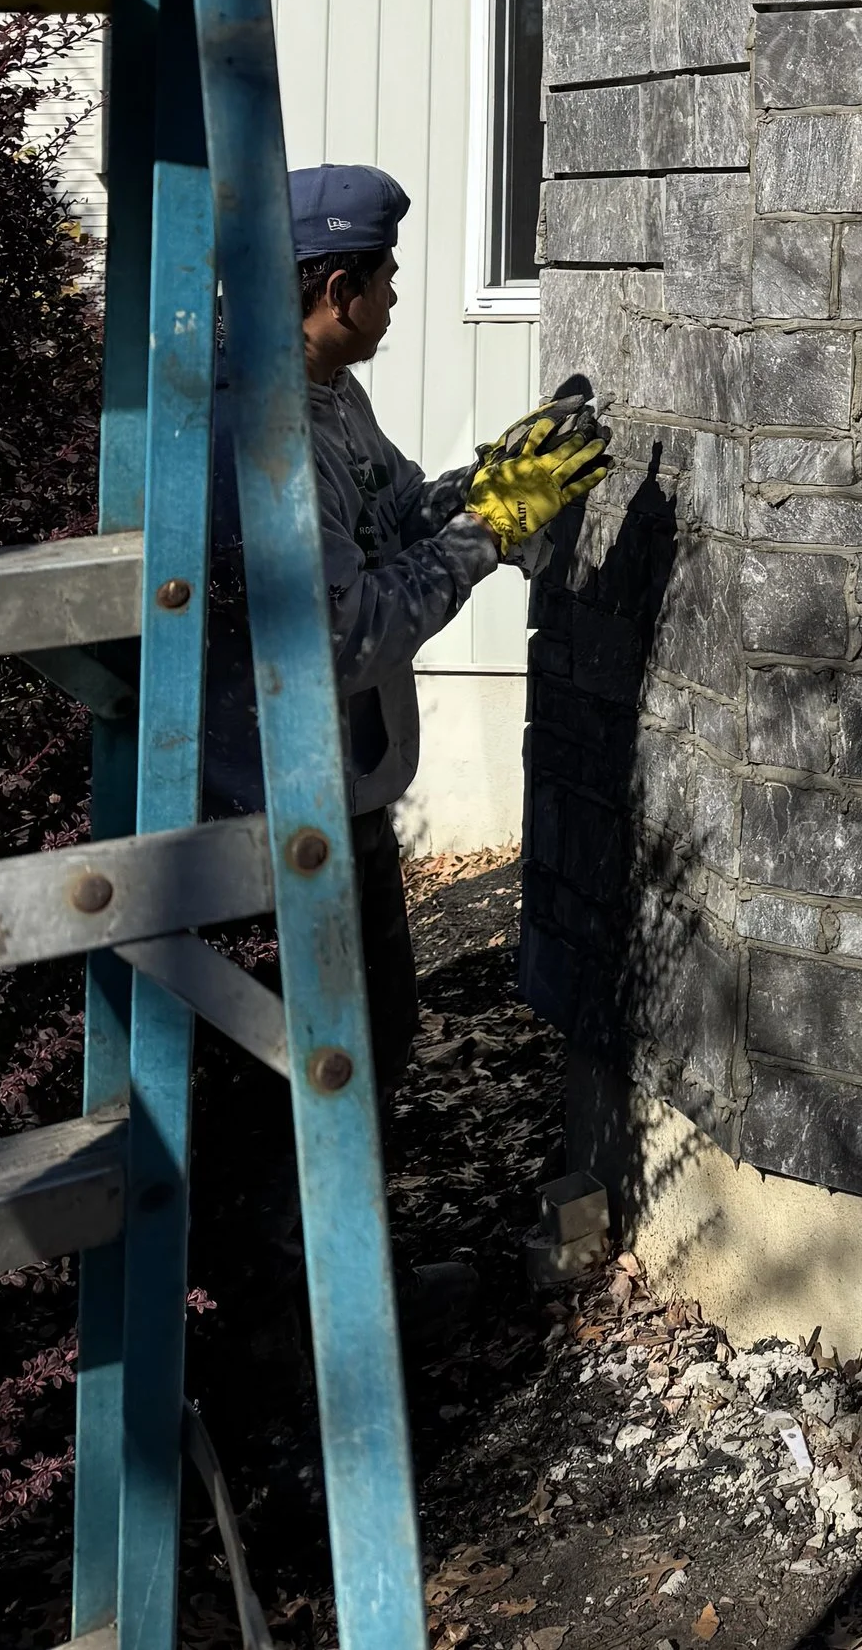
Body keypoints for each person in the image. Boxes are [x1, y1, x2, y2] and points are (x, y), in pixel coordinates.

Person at [202, 162, 609, 1091]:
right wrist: (489, 532)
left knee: (376, 1049)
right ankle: (303, 1246)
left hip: (343, 799)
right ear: (337, 292)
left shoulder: (325, 389)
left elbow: (394, 514)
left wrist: (485, 482)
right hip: (278, 822)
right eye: (385, 277)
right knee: (309, 1091)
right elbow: (341, 636)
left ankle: (361, 1243)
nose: (395, 294)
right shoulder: (266, 437)